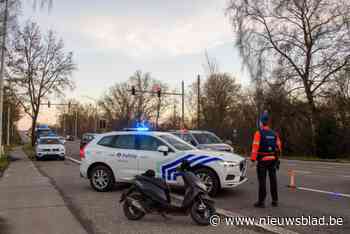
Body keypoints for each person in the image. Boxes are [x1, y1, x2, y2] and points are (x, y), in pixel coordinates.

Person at [251, 111, 282, 208]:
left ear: (261, 122)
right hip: (272, 159)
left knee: (262, 181)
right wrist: (277, 159)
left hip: (262, 160)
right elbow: (279, 147)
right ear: (267, 122)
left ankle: (261, 202)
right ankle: (275, 201)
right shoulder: (274, 133)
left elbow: (255, 147)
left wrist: (253, 159)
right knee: (273, 180)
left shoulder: (258, 133)